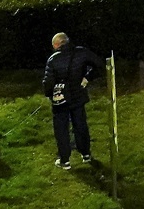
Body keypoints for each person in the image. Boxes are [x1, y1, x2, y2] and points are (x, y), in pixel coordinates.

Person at [42, 32, 104, 169]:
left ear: (57, 45)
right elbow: (99, 64)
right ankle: (86, 154)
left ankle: (65, 160)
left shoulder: (53, 60)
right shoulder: (81, 52)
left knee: (61, 129)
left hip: (61, 99)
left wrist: (49, 95)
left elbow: (48, 83)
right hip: (78, 95)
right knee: (80, 125)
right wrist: (87, 78)